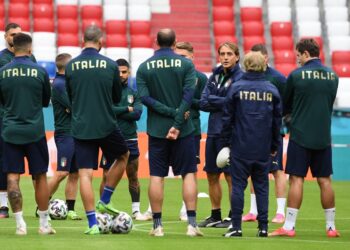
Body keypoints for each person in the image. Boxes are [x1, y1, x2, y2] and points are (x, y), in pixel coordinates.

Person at [269, 38, 340, 238]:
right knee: (325, 180)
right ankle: (331, 227)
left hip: (300, 135)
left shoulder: (297, 75)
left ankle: (289, 226)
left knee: (296, 180)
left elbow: (285, 105)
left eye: (298, 55)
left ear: (305, 54)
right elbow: (328, 103)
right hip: (323, 135)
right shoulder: (333, 76)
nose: (297, 59)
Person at [136, 28, 203, 237]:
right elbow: (189, 95)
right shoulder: (186, 64)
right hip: (184, 129)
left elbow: (145, 98)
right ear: (175, 43)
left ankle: (157, 226)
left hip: (157, 130)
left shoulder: (144, 67)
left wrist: (168, 113)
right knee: (189, 174)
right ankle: (192, 224)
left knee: (156, 176)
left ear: (156, 42)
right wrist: (177, 119)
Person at [65, 26, 129, 235]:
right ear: (100, 41)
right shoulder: (111, 65)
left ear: (83, 40)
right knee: (123, 155)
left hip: (81, 125)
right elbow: (117, 97)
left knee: (85, 174)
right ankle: (105, 199)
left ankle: (92, 224)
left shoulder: (71, 66)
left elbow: (70, 94)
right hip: (106, 123)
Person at [221, 51, 282, 237]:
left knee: (238, 185)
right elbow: (277, 121)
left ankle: (237, 227)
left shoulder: (236, 87)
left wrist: (226, 143)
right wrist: (274, 146)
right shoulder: (272, 90)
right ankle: (263, 227)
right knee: (262, 186)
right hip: (263, 147)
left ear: (246, 65)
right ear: (263, 65)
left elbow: (227, 118)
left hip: (240, 145)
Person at [0, 33, 55, 235]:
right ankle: (43, 224)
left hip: (10, 131)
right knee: (40, 177)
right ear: (30, 49)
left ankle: (20, 225)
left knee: (12, 178)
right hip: (35, 131)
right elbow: (45, 101)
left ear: (13, 48)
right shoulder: (40, 72)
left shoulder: (2, 72)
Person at [198, 42, 243, 228]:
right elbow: (202, 102)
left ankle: (233, 217)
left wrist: (215, 99)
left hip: (232, 133)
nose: (225, 57)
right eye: (222, 53)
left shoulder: (241, 77)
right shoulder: (215, 74)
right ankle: (215, 214)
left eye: (229, 54)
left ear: (237, 57)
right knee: (211, 174)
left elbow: (237, 103)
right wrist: (224, 100)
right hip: (213, 132)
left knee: (231, 176)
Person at [242, 44, 287, 224]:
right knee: (254, 170)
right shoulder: (247, 78)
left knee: (276, 170)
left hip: (272, 132)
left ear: (266, 58)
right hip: (253, 133)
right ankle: (253, 211)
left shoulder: (278, 78)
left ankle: (280, 212)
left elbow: (285, 104)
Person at [99, 58, 148, 221]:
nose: (121, 75)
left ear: (129, 72)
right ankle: (103, 210)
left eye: (124, 72)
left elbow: (138, 113)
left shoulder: (134, 93)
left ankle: (136, 211)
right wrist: (126, 109)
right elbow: (107, 110)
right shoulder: (107, 91)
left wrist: (117, 111)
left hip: (130, 138)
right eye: (118, 72)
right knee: (106, 175)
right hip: (110, 137)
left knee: (133, 175)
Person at [0, 23, 37, 219]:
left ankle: (40, 207)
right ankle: (3, 205)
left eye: (18, 34)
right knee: (4, 163)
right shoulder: (1, 59)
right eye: (12, 34)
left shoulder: (31, 58)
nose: (15, 37)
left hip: (26, 119)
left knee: (35, 168)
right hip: (5, 118)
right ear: (5, 36)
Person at [175, 42, 208, 221]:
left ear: (192, 56)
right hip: (170, 125)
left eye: (184, 57)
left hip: (191, 128)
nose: (181, 60)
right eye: (177, 56)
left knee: (190, 170)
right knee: (160, 170)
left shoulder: (200, 78)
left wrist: (187, 102)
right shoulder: (169, 76)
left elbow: (204, 102)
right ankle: (151, 208)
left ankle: (185, 209)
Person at [47, 53, 81, 220]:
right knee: (62, 172)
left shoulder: (67, 83)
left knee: (74, 173)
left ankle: (71, 209)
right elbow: (75, 107)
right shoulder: (60, 85)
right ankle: (42, 204)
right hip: (65, 133)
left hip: (76, 133)